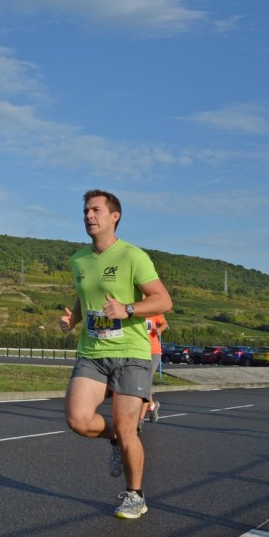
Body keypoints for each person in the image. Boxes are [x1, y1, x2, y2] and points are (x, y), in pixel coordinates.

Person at [59, 190, 173, 520]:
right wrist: (73, 318)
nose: (88, 216)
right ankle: (118, 438)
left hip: (131, 353)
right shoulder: (79, 259)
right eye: (85, 211)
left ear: (114, 216)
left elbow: (163, 300)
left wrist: (128, 309)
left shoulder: (133, 256)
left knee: (127, 429)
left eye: (96, 210)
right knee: (78, 420)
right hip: (92, 351)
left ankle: (135, 495)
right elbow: (85, 295)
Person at [138, 314, 168, 429]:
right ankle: (152, 405)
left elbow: (164, 323)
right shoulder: (133, 309)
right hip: (138, 352)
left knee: (145, 383)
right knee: (140, 383)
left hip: (153, 352)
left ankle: (140, 420)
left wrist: (159, 330)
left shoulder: (154, 310)